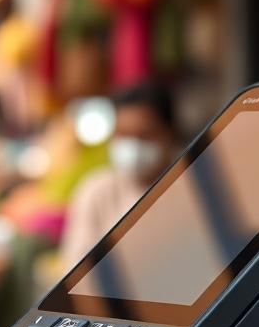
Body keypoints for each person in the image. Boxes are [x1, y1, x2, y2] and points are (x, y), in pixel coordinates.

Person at [59, 81, 178, 271]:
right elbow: (76, 266)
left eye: (145, 135)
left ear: (169, 133)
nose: (133, 145)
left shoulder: (186, 191)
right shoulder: (95, 190)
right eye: (123, 134)